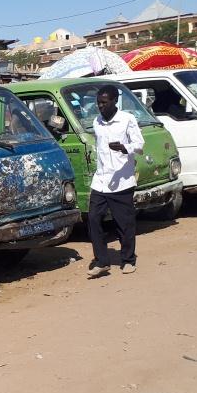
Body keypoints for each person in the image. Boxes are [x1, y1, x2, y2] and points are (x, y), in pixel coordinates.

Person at [87, 85, 144, 278]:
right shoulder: (97, 122)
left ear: (114, 101)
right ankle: (102, 261)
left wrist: (124, 147)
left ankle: (128, 260)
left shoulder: (127, 120)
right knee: (94, 219)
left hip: (122, 181)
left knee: (124, 223)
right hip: (101, 180)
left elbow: (140, 145)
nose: (101, 106)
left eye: (104, 102)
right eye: (98, 103)